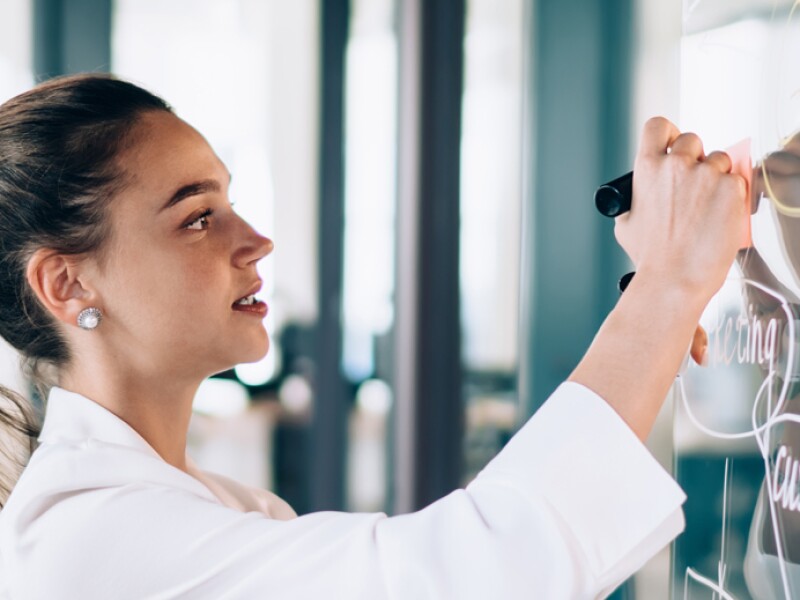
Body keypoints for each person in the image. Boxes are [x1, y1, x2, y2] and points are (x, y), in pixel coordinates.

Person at [0, 74, 747, 599]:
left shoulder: (223, 509)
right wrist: (668, 287)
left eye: (229, 201)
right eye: (197, 217)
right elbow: (472, 575)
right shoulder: (89, 538)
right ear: (67, 285)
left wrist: (660, 316)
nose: (255, 239)